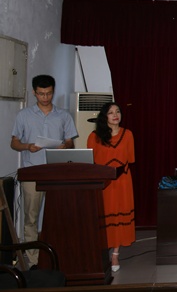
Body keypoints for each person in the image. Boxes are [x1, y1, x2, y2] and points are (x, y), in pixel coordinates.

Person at [10, 74, 78, 269]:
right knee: (30, 217)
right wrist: (27, 146)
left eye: (48, 93)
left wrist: (65, 146)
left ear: (53, 92)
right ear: (34, 92)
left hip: (57, 172)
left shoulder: (63, 115)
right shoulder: (23, 115)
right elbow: (14, 142)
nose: (45, 97)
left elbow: (71, 141)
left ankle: (59, 256)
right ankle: (33, 261)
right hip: (32, 171)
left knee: (58, 215)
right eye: (41, 94)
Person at [87, 102, 136, 272]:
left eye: (118, 111)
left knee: (120, 214)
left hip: (122, 181)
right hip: (103, 183)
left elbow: (130, 159)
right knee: (104, 215)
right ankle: (102, 249)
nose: (115, 115)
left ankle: (115, 253)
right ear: (104, 116)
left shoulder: (128, 134)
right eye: (111, 112)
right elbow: (90, 161)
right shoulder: (94, 136)